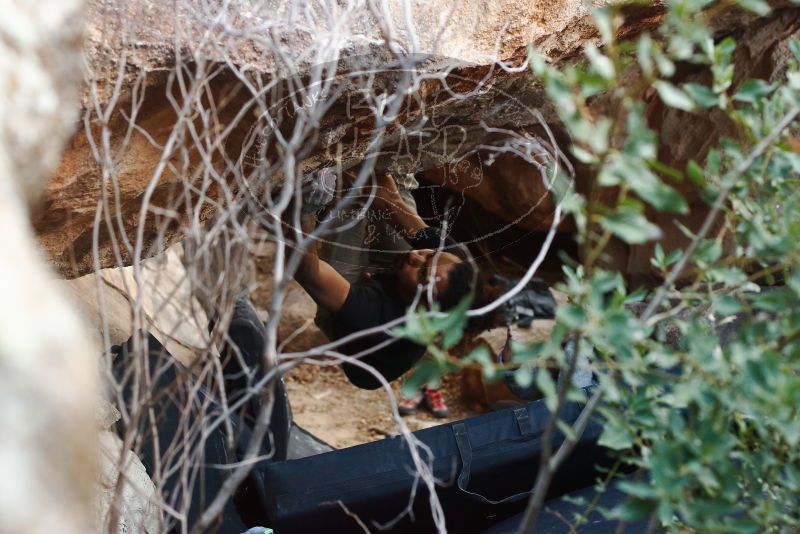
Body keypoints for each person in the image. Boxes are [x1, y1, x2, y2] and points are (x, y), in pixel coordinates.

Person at [293, 169, 486, 394]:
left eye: (421, 274)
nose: (415, 256)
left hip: (354, 326)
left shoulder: (376, 319)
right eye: (429, 255)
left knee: (353, 204)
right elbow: (390, 201)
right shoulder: (452, 262)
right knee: (387, 190)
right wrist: (379, 165)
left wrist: (306, 211)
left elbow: (309, 273)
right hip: (396, 285)